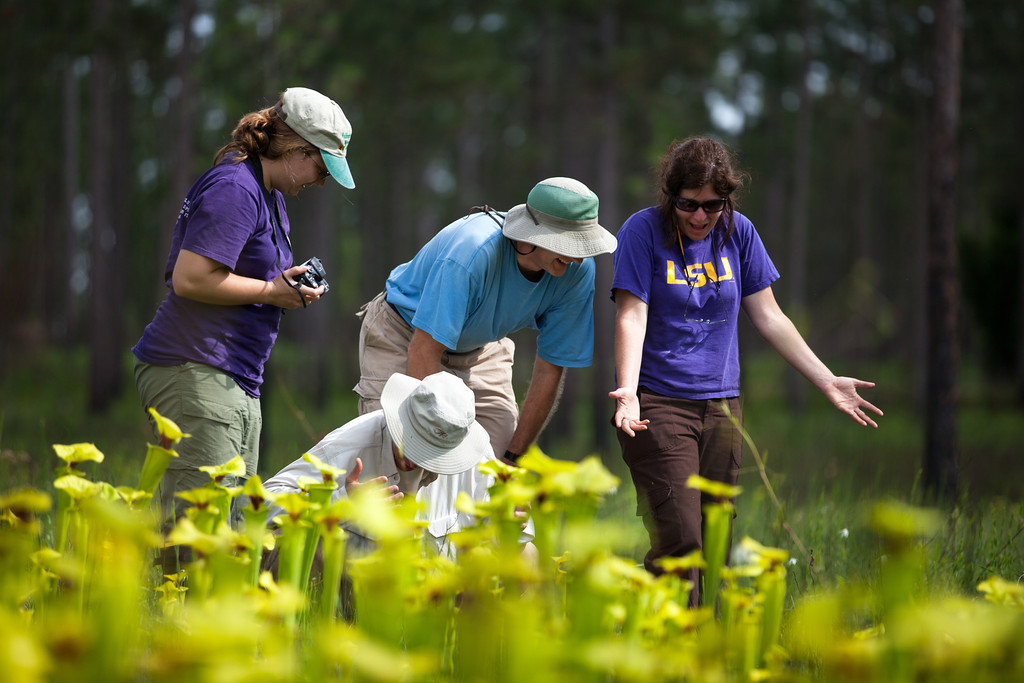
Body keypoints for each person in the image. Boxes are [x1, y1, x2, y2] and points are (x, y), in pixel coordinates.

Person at [609, 136, 883, 606]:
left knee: (714, 541)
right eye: (688, 204)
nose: (700, 217)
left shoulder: (738, 232)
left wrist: (826, 379)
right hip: (658, 404)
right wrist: (628, 391)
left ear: (727, 199)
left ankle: (696, 650)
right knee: (681, 539)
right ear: (670, 197)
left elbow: (770, 316)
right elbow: (631, 314)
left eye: (712, 205)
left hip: (722, 409)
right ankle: (672, 653)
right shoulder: (642, 231)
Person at [131, 87, 356, 572]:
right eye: (321, 169)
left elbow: (247, 277)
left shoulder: (265, 192)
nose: (321, 182)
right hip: (195, 364)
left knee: (228, 522)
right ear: (297, 151)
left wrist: (282, 288)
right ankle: (170, 627)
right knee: (200, 526)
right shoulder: (235, 187)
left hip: (231, 374)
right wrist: (270, 292)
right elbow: (190, 278)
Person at [354, 177, 618, 465]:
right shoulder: (473, 252)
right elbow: (424, 350)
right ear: (535, 235)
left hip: (481, 347)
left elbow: (550, 369)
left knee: (491, 467)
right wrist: (418, 437)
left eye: (584, 245)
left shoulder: (576, 271)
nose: (578, 259)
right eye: (570, 245)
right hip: (404, 333)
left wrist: (513, 457)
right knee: (402, 459)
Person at [263, 371, 533, 558]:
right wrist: (340, 502)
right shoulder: (350, 444)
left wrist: (507, 527)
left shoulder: (477, 458)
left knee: (527, 557)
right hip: (357, 595)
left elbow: (511, 541)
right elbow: (260, 503)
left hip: (434, 608)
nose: (413, 458)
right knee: (282, 544)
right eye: (411, 440)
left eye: (430, 451)